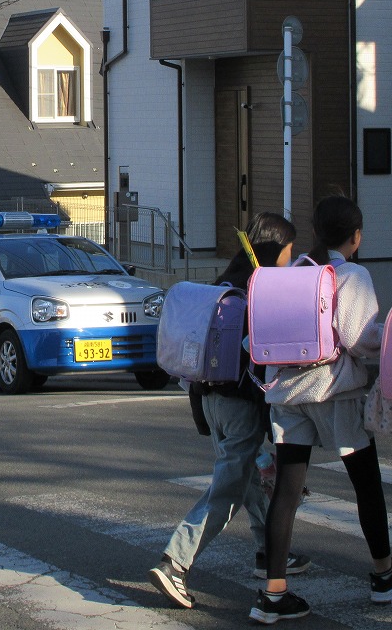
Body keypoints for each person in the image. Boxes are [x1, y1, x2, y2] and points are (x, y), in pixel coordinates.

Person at [149, 213, 309, 610]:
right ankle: (176, 562)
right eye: (289, 250)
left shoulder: (225, 283)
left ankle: (266, 551)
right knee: (228, 489)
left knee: (246, 476)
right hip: (239, 406)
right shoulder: (260, 291)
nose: (293, 257)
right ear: (275, 250)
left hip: (209, 399)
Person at [251, 196, 392, 624]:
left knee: (287, 493)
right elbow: (359, 338)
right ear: (356, 236)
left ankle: (274, 594)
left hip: (287, 393)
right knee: (366, 484)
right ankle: (384, 575)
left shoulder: (292, 271)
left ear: (315, 232)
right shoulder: (350, 274)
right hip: (335, 391)